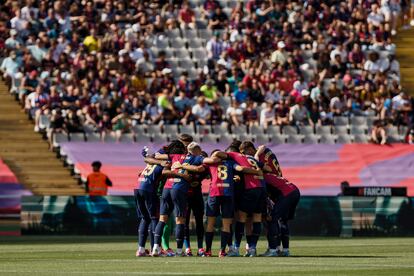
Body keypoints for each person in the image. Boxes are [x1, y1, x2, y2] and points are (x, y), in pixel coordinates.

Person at [151, 142, 204, 257]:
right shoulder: (197, 158)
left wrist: (165, 159)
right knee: (180, 220)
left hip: (167, 187)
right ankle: (180, 251)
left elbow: (157, 156)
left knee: (162, 219)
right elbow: (200, 169)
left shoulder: (174, 156)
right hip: (179, 189)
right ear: (197, 150)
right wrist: (185, 168)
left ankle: (155, 248)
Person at [261, 175, 300, 257]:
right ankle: (285, 250)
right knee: (283, 220)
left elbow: (265, 195)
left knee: (272, 219)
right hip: (295, 191)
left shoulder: (262, 177)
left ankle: (273, 250)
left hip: (286, 194)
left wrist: (267, 212)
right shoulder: (271, 176)